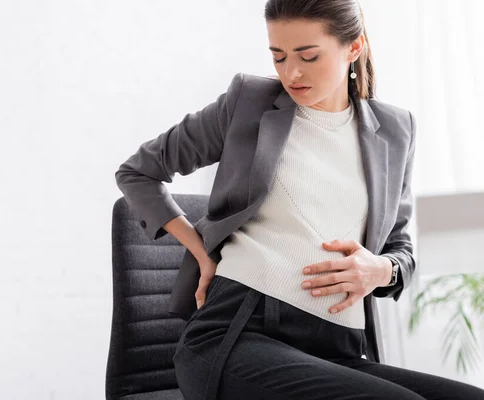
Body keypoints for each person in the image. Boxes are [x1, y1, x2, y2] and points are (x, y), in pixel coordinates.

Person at [114, 0, 484, 399]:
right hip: (235, 337)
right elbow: (138, 172)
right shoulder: (248, 103)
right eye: (279, 56)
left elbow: (400, 248)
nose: (291, 72)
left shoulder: (395, 131)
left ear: (353, 48)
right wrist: (202, 251)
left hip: (336, 350)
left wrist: (382, 271)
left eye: (309, 57)